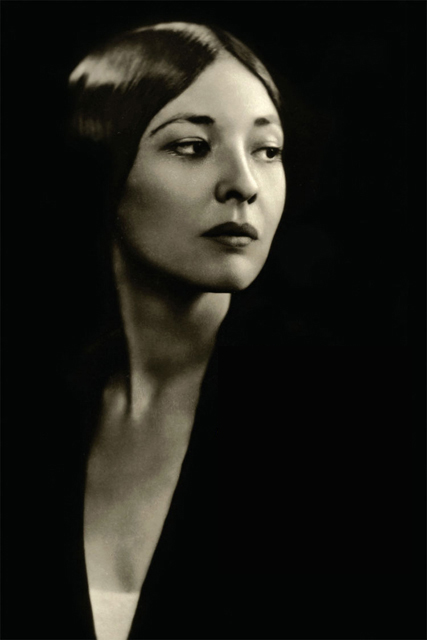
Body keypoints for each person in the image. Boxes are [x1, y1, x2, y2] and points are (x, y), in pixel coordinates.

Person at [34, 21, 285, 640]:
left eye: (267, 149)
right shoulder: (43, 410)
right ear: (103, 166)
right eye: (192, 146)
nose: (244, 184)